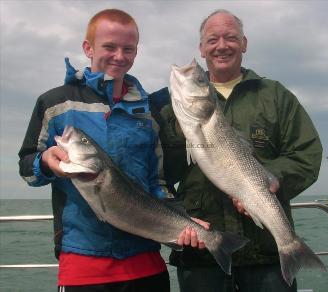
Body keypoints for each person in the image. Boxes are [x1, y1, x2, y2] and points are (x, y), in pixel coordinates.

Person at [18, 9, 206, 292]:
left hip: (146, 263)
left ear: (135, 52)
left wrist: (181, 219)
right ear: (88, 47)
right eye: (109, 46)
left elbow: (159, 182)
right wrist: (44, 162)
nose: (119, 55)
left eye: (127, 49)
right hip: (83, 265)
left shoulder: (149, 111)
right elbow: (27, 169)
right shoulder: (54, 103)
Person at [151, 9, 323, 292]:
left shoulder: (275, 96)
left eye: (231, 38)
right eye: (212, 39)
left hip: (266, 252)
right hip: (202, 250)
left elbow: (307, 155)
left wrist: (274, 179)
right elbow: (161, 173)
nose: (222, 45)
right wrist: (179, 219)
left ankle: (290, 247)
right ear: (202, 48)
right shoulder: (172, 111)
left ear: (244, 44)